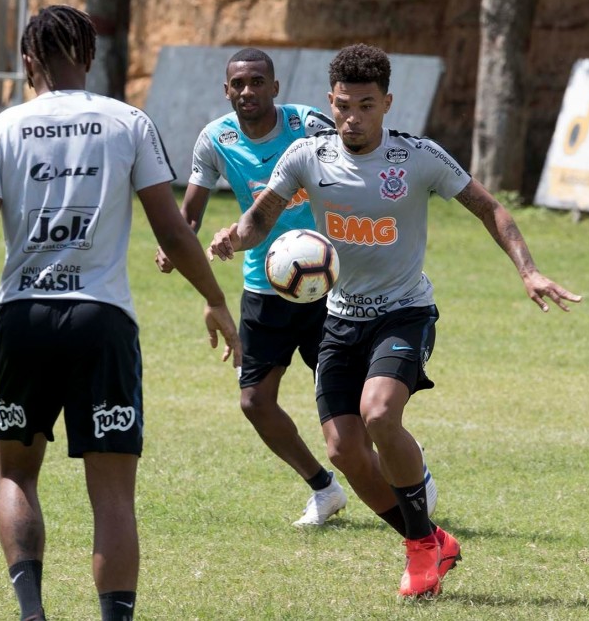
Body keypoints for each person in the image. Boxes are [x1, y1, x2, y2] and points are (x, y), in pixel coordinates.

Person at [208, 43, 581, 599]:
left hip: (404, 311)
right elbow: (262, 215)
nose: (352, 118)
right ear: (330, 104)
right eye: (341, 106)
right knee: (343, 451)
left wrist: (528, 271)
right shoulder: (307, 156)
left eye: (364, 105)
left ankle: (418, 548)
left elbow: (490, 207)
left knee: (379, 414)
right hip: (338, 316)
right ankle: (428, 541)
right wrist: (234, 237)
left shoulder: (418, 156)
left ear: (386, 103)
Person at [0, 6, 241, 621]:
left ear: (27, 62)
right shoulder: (128, 123)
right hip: (102, 321)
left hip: (23, 316)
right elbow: (172, 231)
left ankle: (31, 613)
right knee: (113, 494)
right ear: (91, 58)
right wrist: (215, 297)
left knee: (16, 474)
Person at [156, 48, 438, 526]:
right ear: (227, 90)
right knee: (254, 400)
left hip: (328, 282)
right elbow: (191, 212)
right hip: (265, 282)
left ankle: (404, 489)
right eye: (238, 84)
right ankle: (324, 487)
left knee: (353, 409)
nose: (248, 91)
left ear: (275, 87)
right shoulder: (215, 138)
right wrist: (180, 246)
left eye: (257, 82)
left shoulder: (309, 126)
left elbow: (353, 167)